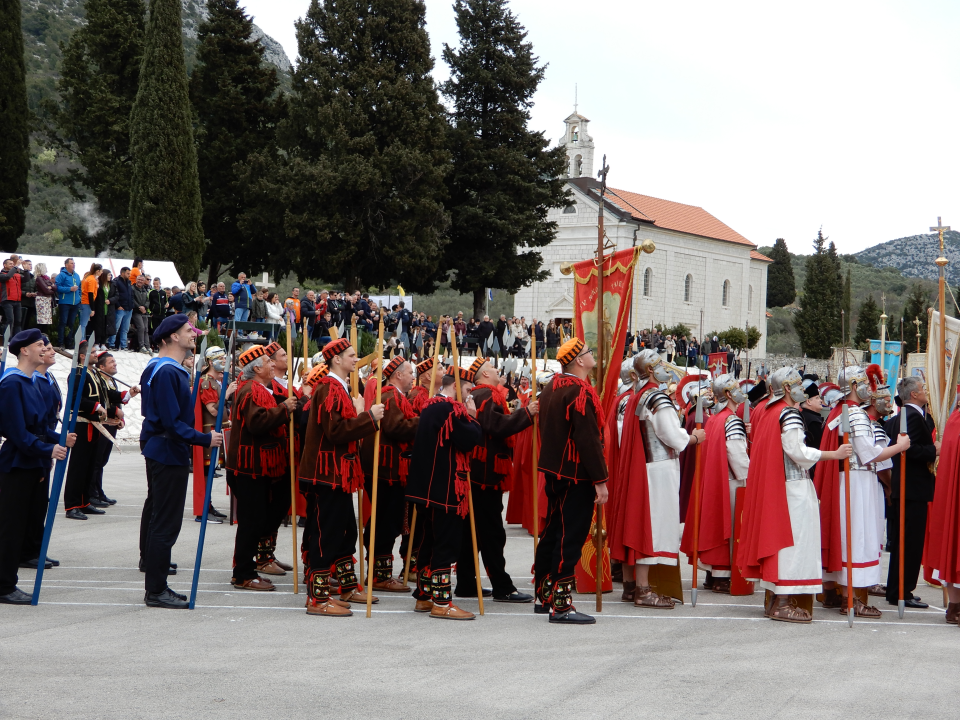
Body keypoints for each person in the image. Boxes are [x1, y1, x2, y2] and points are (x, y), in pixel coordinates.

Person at [738, 367, 852, 623]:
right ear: (787, 388)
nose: (803, 387)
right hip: (791, 487)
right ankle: (783, 602)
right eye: (798, 383)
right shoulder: (788, 413)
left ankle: (774, 600)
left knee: (782, 541)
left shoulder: (766, 410)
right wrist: (833, 454)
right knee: (791, 542)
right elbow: (796, 451)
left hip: (778, 485)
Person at [138, 315, 224, 609]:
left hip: (165, 449)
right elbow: (170, 422)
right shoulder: (166, 371)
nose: (193, 334)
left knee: (160, 517)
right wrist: (204, 438)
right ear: (172, 337)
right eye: (188, 331)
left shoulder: (165, 369)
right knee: (165, 522)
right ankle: (156, 589)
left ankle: (156, 579)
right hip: (167, 450)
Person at [610, 349, 704, 609]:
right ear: (650, 370)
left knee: (639, 521)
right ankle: (643, 589)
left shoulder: (637, 397)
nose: (665, 367)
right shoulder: (655, 398)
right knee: (652, 526)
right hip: (658, 469)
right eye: (660, 363)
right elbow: (672, 436)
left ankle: (630, 586)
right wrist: (694, 437)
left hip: (645, 467)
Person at [813, 365, 909, 617]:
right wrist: (900, 446)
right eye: (866, 382)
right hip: (856, 482)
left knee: (850, 535)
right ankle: (851, 599)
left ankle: (840, 594)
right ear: (855, 386)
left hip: (850, 480)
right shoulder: (854, 414)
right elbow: (869, 454)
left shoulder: (839, 411)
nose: (871, 387)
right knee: (857, 536)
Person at [298, 337, 384, 617]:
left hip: (338, 473)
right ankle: (318, 598)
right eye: (351, 355)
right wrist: (368, 417)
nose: (355, 359)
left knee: (345, 530)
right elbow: (336, 431)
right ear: (336, 359)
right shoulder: (329, 388)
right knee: (326, 534)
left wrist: (360, 414)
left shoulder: (341, 387)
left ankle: (346, 586)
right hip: (327, 474)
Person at [533, 338, 609, 624]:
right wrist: (600, 480)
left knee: (552, 533)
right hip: (575, 475)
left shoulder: (551, 387)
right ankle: (562, 606)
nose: (593, 355)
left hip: (555, 471)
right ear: (578, 360)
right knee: (569, 537)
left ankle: (545, 595)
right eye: (589, 352)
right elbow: (589, 440)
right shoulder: (579, 391)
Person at [453, 357, 536, 603]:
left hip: (476, 472)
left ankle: (467, 582)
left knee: (473, 532)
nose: (497, 371)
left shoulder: (477, 394)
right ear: (484, 375)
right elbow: (496, 425)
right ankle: (502, 585)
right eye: (492, 368)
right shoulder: (488, 395)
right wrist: (527, 414)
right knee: (492, 532)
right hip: (486, 474)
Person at [0, 330, 74, 605]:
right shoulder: (12, 383)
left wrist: (58, 439)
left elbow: (42, 426)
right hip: (18, 461)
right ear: (24, 351)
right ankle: (4, 584)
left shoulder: (33, 381)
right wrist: (47, 448)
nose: (45, 348)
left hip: (34, 459)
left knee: (24, 522)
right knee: (11, 526)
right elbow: (16, 432)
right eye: (39, 345)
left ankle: (8, 580)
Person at [406, 366, 483, 620]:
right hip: (446, 487)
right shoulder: (451, 409)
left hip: (428, 487)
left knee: (428, 541)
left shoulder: (430, 405)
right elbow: (471, 439)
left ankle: (425, 596)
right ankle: (441, 601)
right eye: (468, 390)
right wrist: (472, 416)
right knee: (446, 543)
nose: (470, 396)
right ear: (457, 387)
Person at [224, 345, 298, 591]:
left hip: (256, 468)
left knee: (257, 518)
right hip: (248, 469)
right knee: (251, 520)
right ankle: (243, 573)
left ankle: (250, 567)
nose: (272, 365)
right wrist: (284, 409)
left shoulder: (257, 389)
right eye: (268, 361)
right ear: (256, 368)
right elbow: (257, 423)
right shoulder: (250, 390)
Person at [678, 374, 748, 595]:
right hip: (731, 482)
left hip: (715, 481)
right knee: (726, 529)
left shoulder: (715, 419)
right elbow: (737, 457)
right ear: (728, 394)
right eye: (735, 388)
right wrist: (751, 478)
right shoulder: (731, 420)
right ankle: (721, 576)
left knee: (714, 525)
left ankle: (712, 573)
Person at [359, 356, 420, 592]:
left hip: (390, 469)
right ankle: (379, 575)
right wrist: (422, 421)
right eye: (410, 372)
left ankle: (380, 572)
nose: (412, 377)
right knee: (387, 521)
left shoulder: (395, 395)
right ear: (398, 375)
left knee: (388, 520)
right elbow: (396, 428)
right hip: (386, 470)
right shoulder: (390, 396)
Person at [884, 374, 939, 610]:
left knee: (904, 543)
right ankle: (901, 591)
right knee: (909, 543)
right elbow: (909, 449)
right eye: (923, 388)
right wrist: (933, 450)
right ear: (914, 394)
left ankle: (900, 589)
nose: (926, 391)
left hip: (909, 488)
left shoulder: (906, 415)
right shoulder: (910, 416)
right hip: (911, 488)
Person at [90, 352, 139, 506]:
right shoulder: (99, 381)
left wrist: (120, 419)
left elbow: (116, 401)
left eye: (115, 361)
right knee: (96, 461)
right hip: (102, 425)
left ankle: (98, 491)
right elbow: (103, 402)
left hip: (111, 425)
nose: (115, 364)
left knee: (102, 461)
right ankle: (92, 493)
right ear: (102, 366)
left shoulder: (111, 381)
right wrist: (114, 412)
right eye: (111, 362)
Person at [193, 346, 233, 523]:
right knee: (207, 472)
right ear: (210, 362)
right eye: (220, 359)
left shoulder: (216, 382)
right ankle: (203, 509)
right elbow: (213, 411)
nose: (223, 362)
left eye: (225, 359)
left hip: (220, 431)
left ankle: (208, 505)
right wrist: (227, 394)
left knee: (212, 471)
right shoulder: (207, 382)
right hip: (210, 433)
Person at [55, 258, 82, 349]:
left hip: (75, 303)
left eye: (74, 263)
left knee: (71, 323)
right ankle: (60, 342)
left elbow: (80, 288)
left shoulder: (77, 275)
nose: (73, 265)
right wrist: (69, 289)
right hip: (65, 302)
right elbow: (57, 287)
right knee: (63, 322)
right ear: (66, 265)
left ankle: (69, 342)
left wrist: (79, 297)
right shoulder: (61, 275)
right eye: (71, 263)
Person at [0, 257, 23, 339]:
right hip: (7, 300)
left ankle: (18, 339)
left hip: (17, 300)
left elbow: (26, 279)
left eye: (13, 264)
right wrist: (16, 267)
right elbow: (7, 277)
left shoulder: (16, 275)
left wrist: (26, 270)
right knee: (10, 320)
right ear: (4, 265)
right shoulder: (2, 275)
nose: (12, 265)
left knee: (18, 321)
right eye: (10, 264)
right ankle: (7, 339)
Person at [78, 263, 101, 341]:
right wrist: (93, 308)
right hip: (86, 302)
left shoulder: (87, 277)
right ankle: (81, 341)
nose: (101, 273)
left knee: (83, 324)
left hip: (84, 302)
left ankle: (82, 340)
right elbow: (90, 294)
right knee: (83, 324)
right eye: (101, 271)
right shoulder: (92, 280)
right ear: (97, 271)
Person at [132, 274, 151, 354]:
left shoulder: (145, 290)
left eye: (142, 280)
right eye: (139, 280)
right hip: (136, 311)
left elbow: (148, 300)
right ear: (136, 280)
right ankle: (141, 346)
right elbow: (132, 299)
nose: (140, 281)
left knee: (146, 329)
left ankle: (147, 346)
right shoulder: (132, 289)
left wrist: (145, 307)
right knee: (141, 327)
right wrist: (139, 307)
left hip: (144, 312)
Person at [34, 263, 55, 334]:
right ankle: (40, 334)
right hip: (42, 299)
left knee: (46, 320)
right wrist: (51, 289)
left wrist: (51, 287)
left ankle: (43, 335)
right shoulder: (39, 278)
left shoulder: (46, 278)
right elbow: (45, 290)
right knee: (42, 320)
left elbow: (55, 287)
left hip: (47, 300)